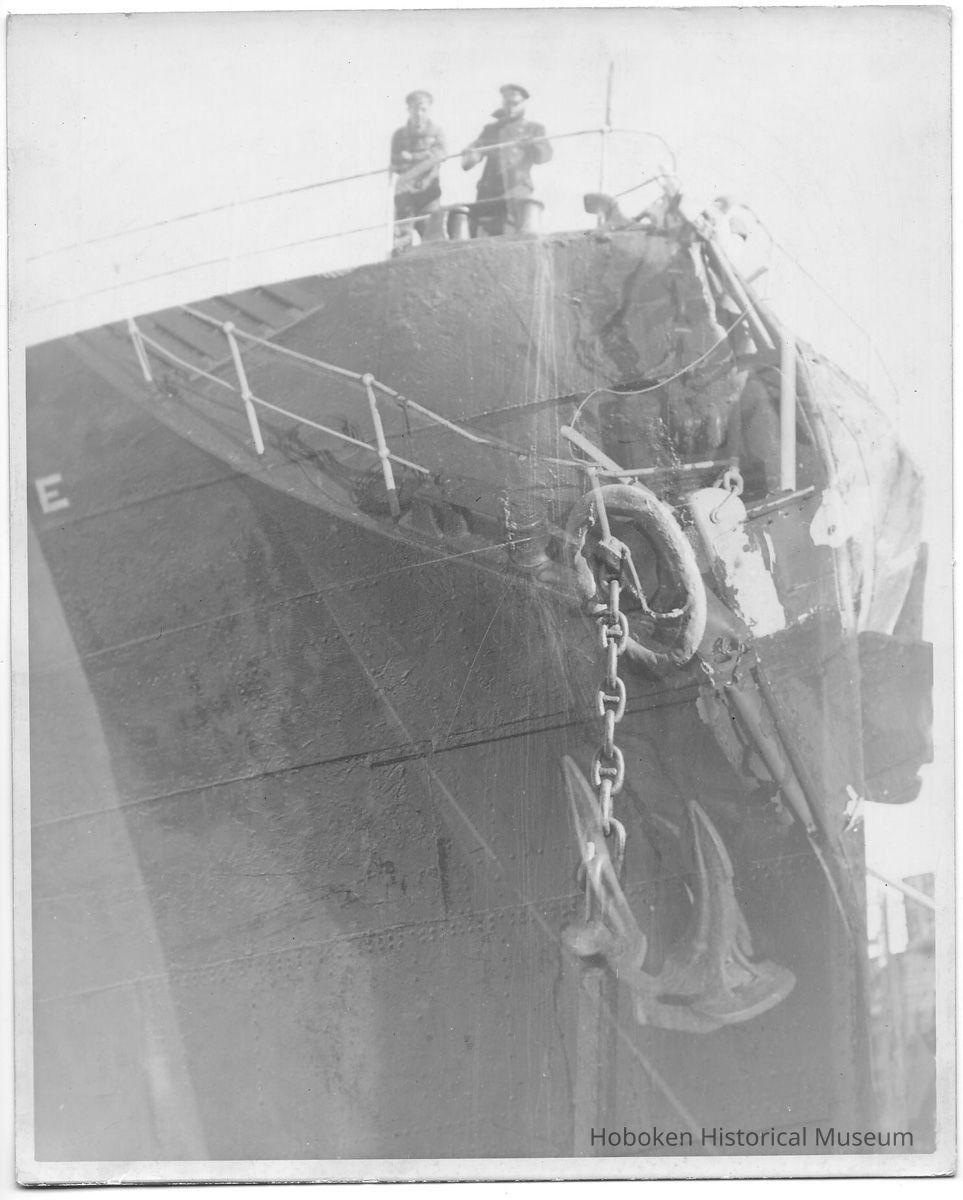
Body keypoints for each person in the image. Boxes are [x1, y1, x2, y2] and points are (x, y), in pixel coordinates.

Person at [461, 84, 552, 237]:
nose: (510, 108)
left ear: (524, 104)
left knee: (517, 237)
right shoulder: (491, 130)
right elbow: (468, 162)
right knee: (482, 237)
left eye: (515, 104)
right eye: (507, 103)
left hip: (516, 192)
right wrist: (472, 154)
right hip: (489, 195)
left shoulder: (534, 129)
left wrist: (531, 145)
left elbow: (545, 156)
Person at [390, 90, 447, 252]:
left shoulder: (437, 132)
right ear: (408, 109)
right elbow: (394, 162)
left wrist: (413, 157)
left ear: (429, 110)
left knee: (432, 240)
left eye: (423, 110)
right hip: (405, 195)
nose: (419, 114)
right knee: (401, 241)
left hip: (429, 193)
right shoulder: (399, 135)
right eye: (415, 109)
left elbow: (441, 154)